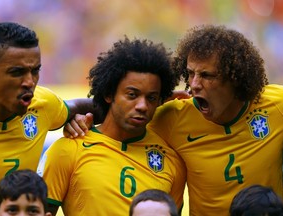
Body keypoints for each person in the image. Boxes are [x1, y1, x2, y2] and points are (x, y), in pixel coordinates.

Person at [66, 24, 283, 215]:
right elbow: (120, 111)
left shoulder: (277, 106)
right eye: (190, 74)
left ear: (236, 78)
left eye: (207, 76)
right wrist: (74, 115)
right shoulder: (173, 117)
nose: (194, 84)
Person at [37, 36, 186, 216]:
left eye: (151, 98)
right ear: (109, 94)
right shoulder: (68, 149)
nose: (142, 106)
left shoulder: (171, 160)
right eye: (132, 95)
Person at [0, 22, 94, 183]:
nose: (29, 82)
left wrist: (81, 119)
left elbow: (90, 108)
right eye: (17, 72)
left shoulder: (42, 104)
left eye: (35, 71)